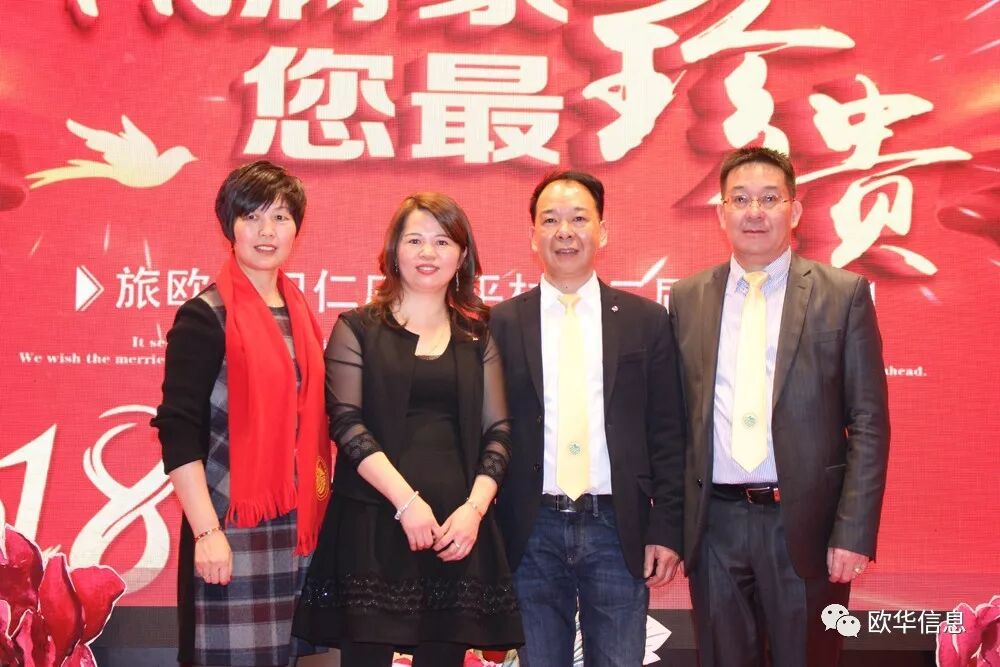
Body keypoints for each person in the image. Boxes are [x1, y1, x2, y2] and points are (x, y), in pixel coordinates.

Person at [669, 146, 891, 667]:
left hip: (806, 524)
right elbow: (675, 420)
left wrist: (853, 532)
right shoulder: (687, 297)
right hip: (715, 524)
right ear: (721, 213)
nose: (754, 212)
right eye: (740, 199)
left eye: (769, 199)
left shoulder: (843, 294)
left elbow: (868, 422)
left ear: (794, 211)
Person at [292, 193, 523, 666]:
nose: (428, 252)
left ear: (462, 255)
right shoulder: (357, 328)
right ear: (394, 250)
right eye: (415, 240)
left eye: (442, 241)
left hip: (455, 532)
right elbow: (347, 425)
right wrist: (406, 503)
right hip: (372, 524)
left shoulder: (477, 335)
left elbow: (498, 432)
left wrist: (474, 511)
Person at [490, 170, 686, 666]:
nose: (565, 232)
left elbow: (668, 432)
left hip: (616, 525)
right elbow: (486, 434)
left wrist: (666, 527)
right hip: (530, 526)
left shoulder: (646, 320)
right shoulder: (501, 323)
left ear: (603, 231)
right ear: (532, 235)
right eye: (550, 220)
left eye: (579, 219)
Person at [151, 160, 330, 667]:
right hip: (230, 525)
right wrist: (207, 533)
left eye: (280, 217)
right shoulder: (205, 316)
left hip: (295, 527)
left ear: (296, 228)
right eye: (251, 216)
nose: (266, 231)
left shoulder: (300, 313)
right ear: (230, 227)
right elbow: (178, 431)